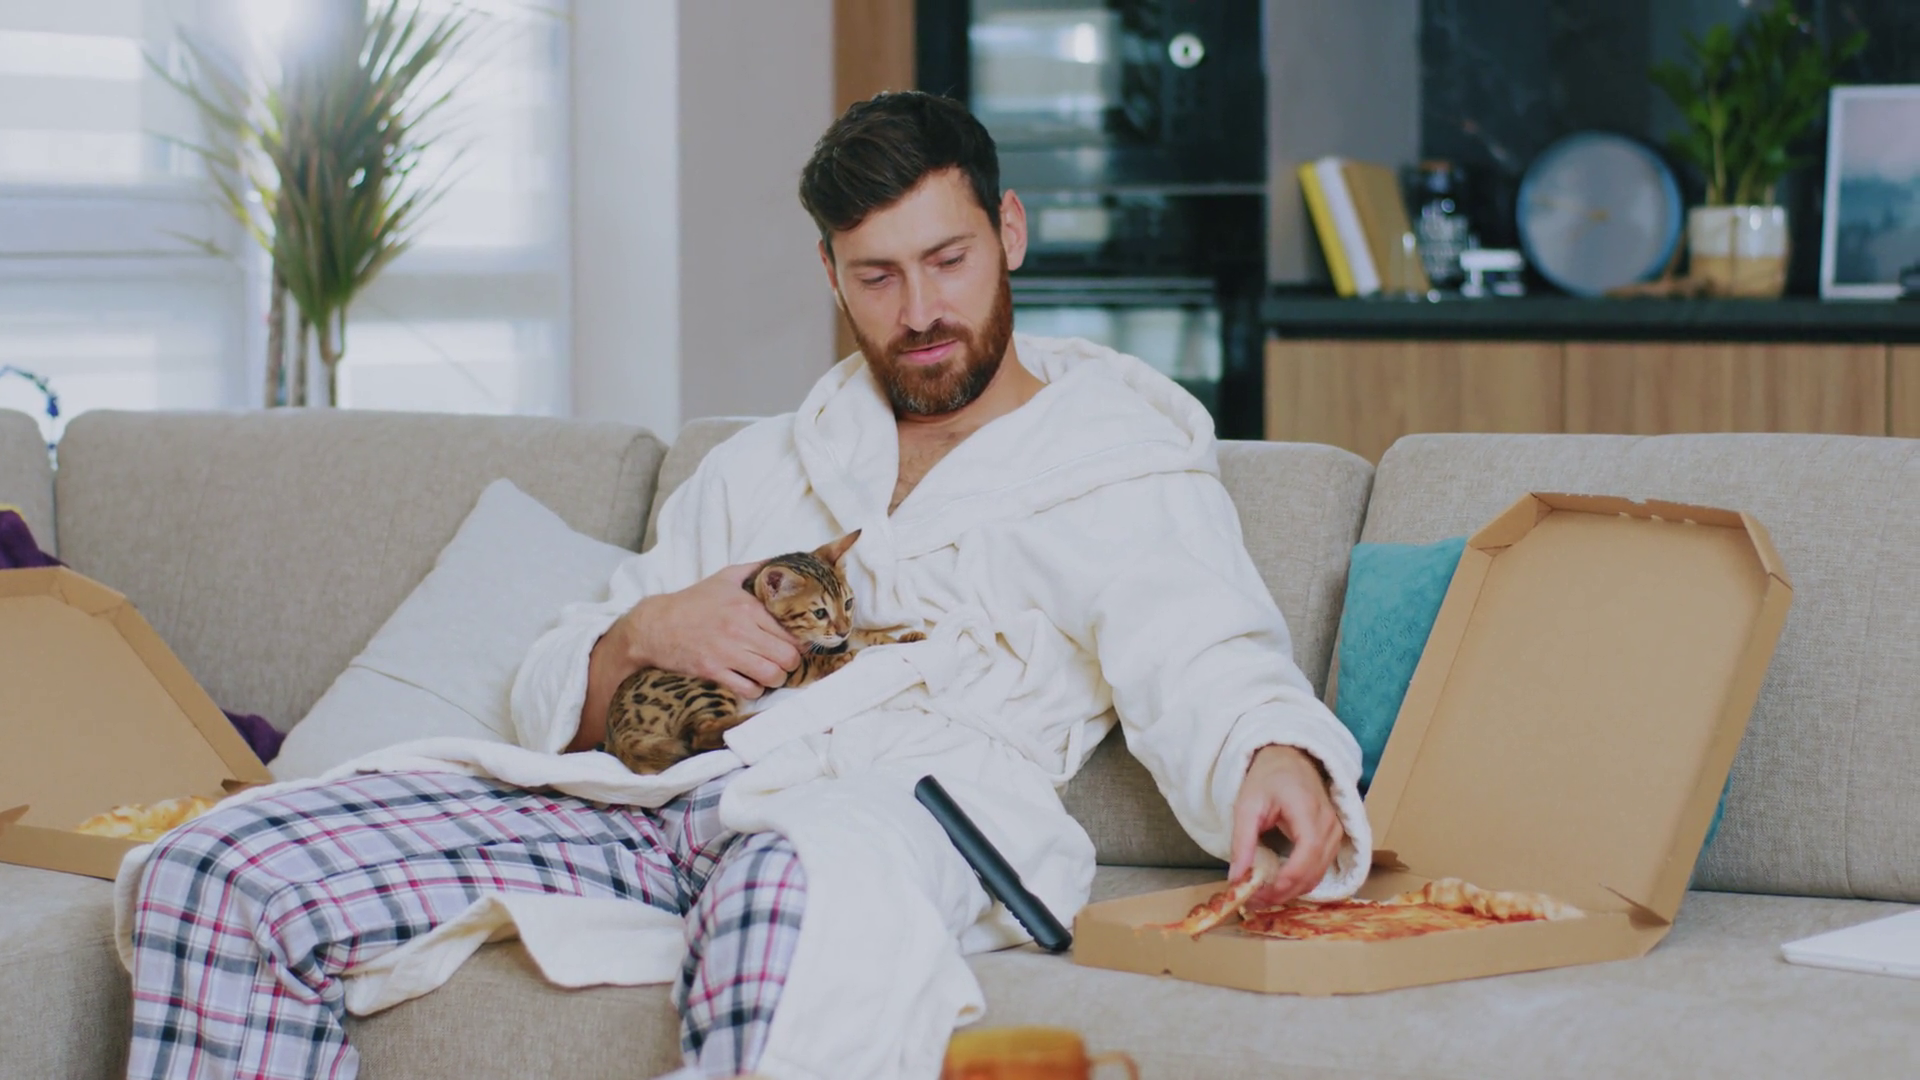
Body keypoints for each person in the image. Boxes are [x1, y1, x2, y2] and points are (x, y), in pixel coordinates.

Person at [123, 91, 1368, 1080]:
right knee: (216, 872)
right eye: (876, 276)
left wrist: (1273, 756)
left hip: (897, 813)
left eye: (947, 260)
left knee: (792, 890)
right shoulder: (765, 463)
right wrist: (645, 632)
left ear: (1011, 233)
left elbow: (1205, 651)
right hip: (657, 810)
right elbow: (556, 689)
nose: (920, 311)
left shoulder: (1117, 462)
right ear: (830, 273)